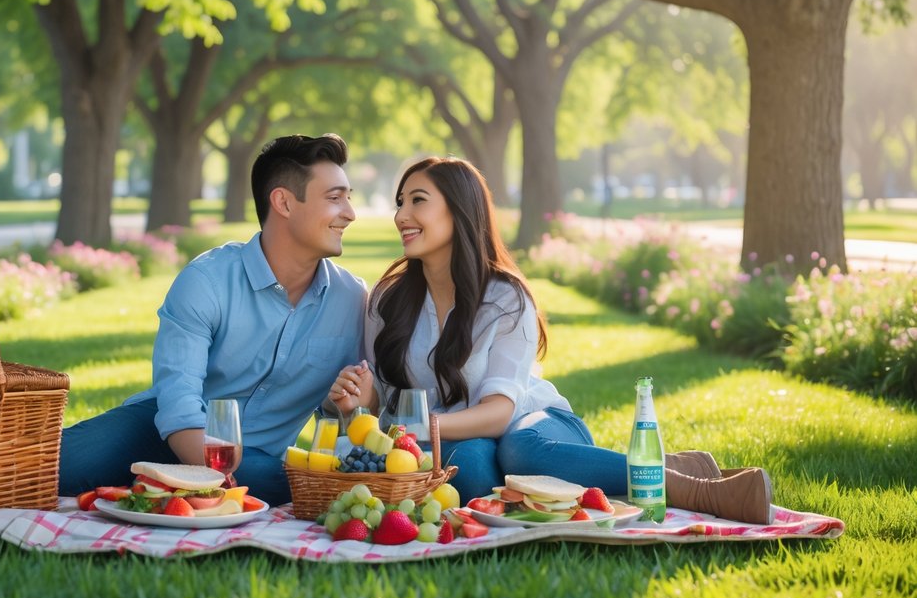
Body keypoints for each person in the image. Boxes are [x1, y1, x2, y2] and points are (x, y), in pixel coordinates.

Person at [328, 156, 773, 524]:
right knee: (477, 470)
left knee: (519, 448)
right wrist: (360, 399)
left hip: (532, 422)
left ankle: (689, 487)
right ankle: (668, 465)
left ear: (458, 211)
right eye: (400, 202)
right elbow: (383, 405)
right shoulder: (387, 300)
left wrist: (425, 427)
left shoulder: (505, 297)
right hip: (456, 442)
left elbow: (501, 412)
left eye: (417, 201)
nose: (401, 215)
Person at [59, 134, 367, 505]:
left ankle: (155, 486)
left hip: (258, 459)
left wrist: (342, 404)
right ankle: (160, 482)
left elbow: (342, 415)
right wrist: (212, 477)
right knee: (51, 466)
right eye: (335, 198)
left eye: (348, 198)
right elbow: (179, 402)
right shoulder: (207, 280)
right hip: (161, 430)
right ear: (283, 201)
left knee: (309, 483)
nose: (349, 213)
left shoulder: (351, 300)